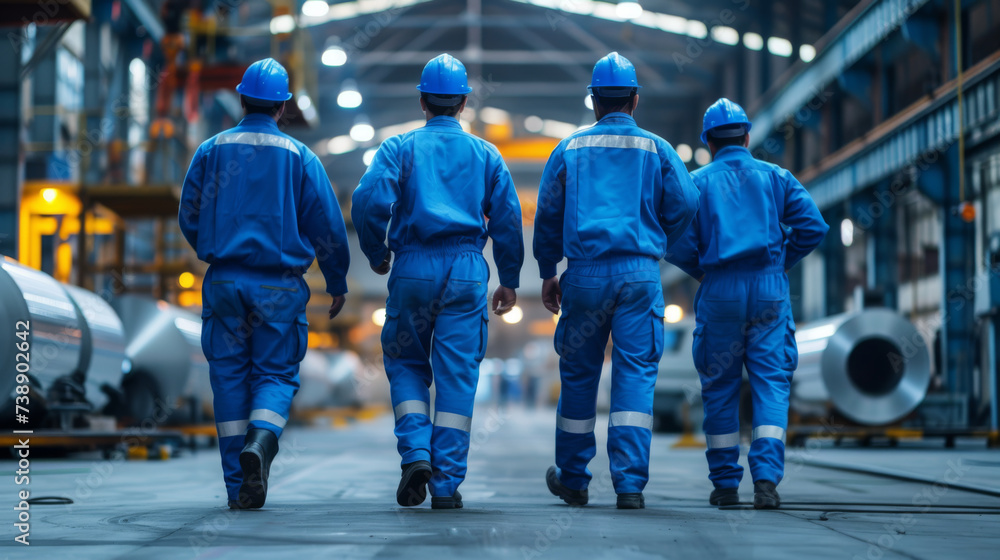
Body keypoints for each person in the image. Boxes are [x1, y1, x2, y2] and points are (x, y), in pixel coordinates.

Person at [351, 53, 523, 510]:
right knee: (457, 376)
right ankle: (445, 486)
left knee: (406, 362)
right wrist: (509, 278)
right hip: (466, 271)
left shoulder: (398, 148)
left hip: (412, 266)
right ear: (463, 103)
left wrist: (376, 252)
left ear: (422, 102)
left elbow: (367, 201)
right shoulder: (487, 154)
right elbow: (508, 219)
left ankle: (415, 454)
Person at [178, 58, 350, 509]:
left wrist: (214, 247)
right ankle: (261, 440)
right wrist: (336, 279)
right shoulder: (300, 157)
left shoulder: (211, 150)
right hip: (279, 286)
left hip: (224, 282)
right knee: (274, 374)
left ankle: (239, 488)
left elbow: (189, 214)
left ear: (241, 99)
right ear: (283, 107)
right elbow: (327, 225)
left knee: (229, 378)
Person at [534, 52, 700, 510]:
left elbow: (547, 214)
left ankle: (573, 479)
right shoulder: (656, 148)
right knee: (635, 377)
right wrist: (657, 239)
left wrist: (547, 271)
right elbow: (687, 203)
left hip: (584, 276)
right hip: (638, 276)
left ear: (593, 100)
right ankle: (629, 485)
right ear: (635, 99)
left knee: (579, 376)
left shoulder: (569, 149)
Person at [666, 98, 828, 509]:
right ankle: (766, 483)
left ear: (708, 142)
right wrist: (780, 262)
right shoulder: (775, 177)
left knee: (719, 387)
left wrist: (703, 270)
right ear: (747, 136)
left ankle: (725, 486)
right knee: (770, 384)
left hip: (720, 290)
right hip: (768, 288)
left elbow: (675, 241)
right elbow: (813, 226)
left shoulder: (696, 183)